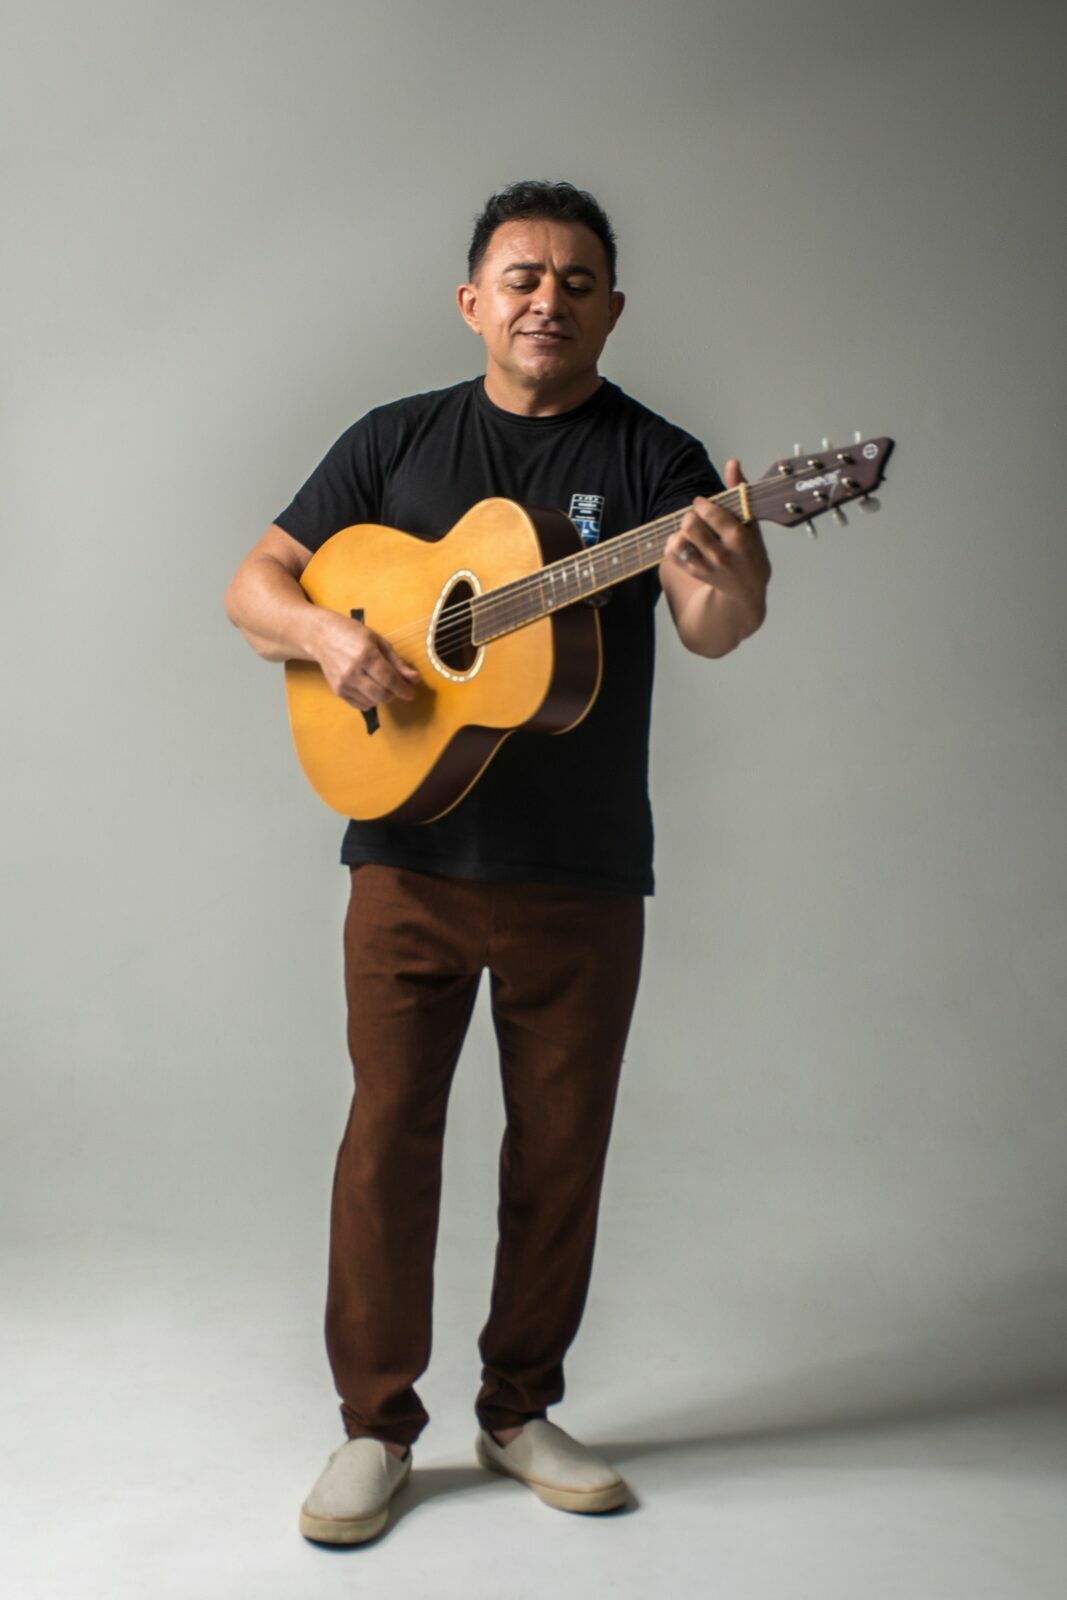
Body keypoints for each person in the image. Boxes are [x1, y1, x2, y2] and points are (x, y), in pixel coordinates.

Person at [224, 180, 771, 1544]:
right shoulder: (394, 441)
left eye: (578, 282)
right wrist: (329, 639)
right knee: (386, 1140)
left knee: (559, 1153)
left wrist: (739, 569)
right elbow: (256, 585)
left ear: (613, 310)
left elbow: (709, 625)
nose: (548, 300)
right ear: (473, 301)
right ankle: (375, 1428)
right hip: (405, 857)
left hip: (580, 873)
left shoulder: (654, 459)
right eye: (523, 277)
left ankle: (519, 1410)